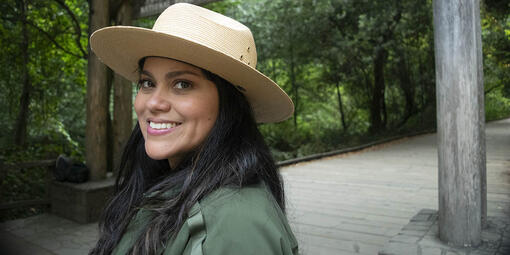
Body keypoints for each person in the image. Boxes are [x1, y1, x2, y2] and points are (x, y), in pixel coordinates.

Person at [89, 3, 298, 255]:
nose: (154, 103)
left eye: (183, 84)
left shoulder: (237, 223)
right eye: (147, 82)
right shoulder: (170, 182)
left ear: (228, 104)